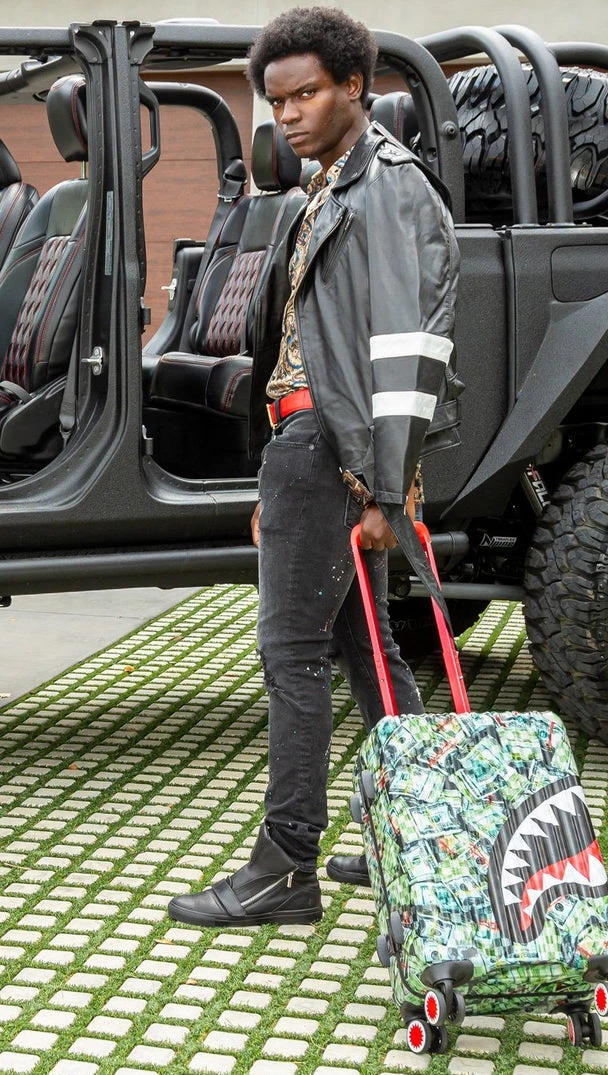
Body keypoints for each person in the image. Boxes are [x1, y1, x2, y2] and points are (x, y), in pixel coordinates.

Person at [168, 6, 461, 927]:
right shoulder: (333, 188)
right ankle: (417, 838)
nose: (287, 114)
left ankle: (285, 868)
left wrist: (386, 489)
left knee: (291, 655)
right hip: (312, 449)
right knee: (364, 648)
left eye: (305, 95)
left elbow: (407, 351)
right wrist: (284, 474)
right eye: (276, 100)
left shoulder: (387, 189)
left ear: (354, 87)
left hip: (337, 453)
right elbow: (307, 348)